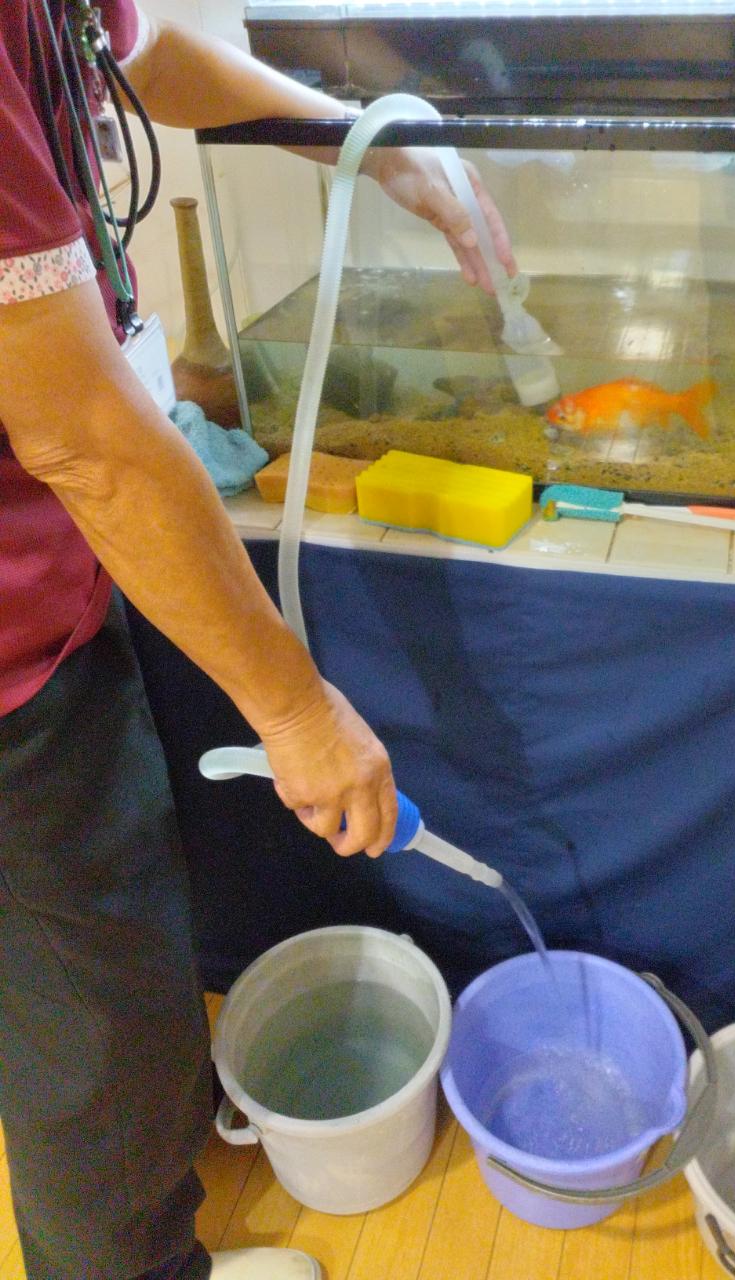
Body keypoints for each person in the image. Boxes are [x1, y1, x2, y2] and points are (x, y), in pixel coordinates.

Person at [0, 3, 516, 1278]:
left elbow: (132, 54)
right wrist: (294, 708)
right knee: (91, 1033)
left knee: (100, 973)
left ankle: (143, 1176)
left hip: (55, 580)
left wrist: (364, 139)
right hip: (11, 659)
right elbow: (84, 436)